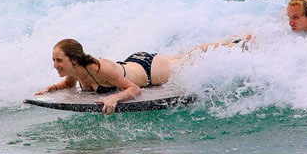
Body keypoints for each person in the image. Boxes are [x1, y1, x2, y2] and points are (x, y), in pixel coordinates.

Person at [35, 36, 249, 114]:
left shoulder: (99, 69)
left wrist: (114, 97)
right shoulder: (76, 70)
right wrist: (50, 89)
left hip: (149, 70)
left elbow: (134, 89)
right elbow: (68, 84)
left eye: (58, 60)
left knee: (189, 59)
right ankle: (232, 41)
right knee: (183, 56)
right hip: (133, 63)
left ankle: (233, 47)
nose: (55, 64)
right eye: (53, 60)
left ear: (73, 59)